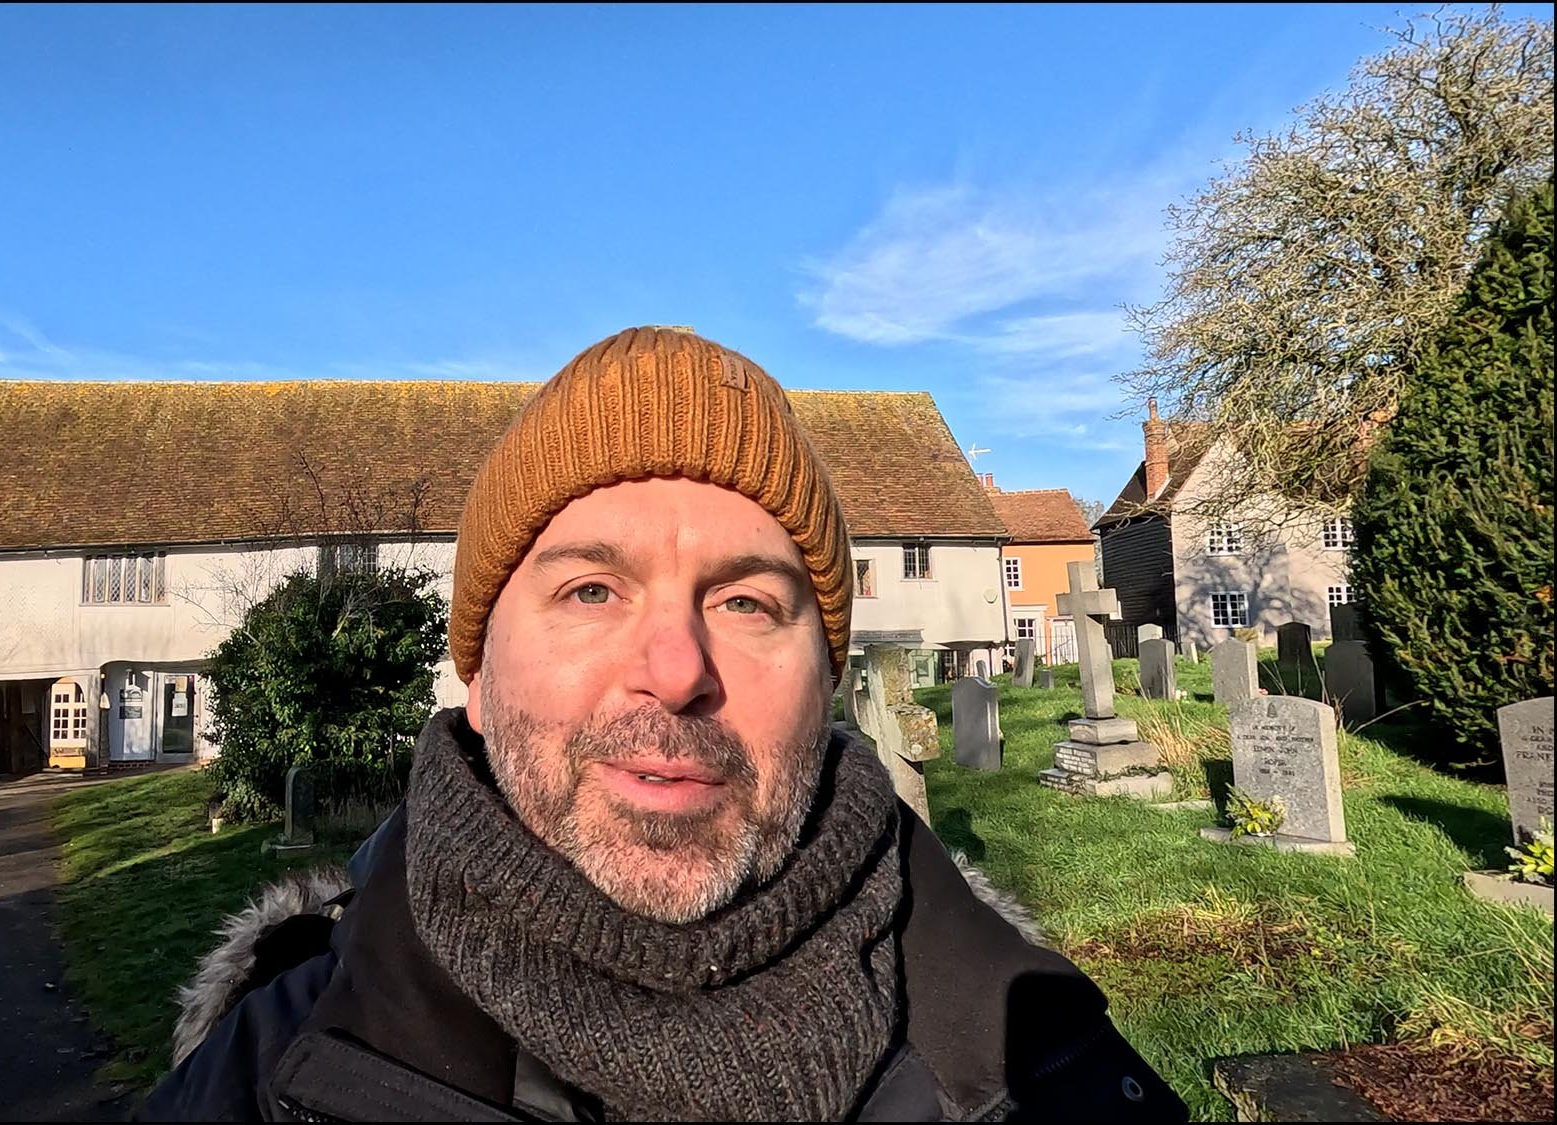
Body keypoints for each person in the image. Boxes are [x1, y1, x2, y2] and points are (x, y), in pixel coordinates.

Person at [140, 327, 1186, 1122]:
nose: (677, 674)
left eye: (746, 603)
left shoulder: (1040, 1053)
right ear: (477, 669)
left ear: (824, 676)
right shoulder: (269, 1074)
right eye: (590, 590)